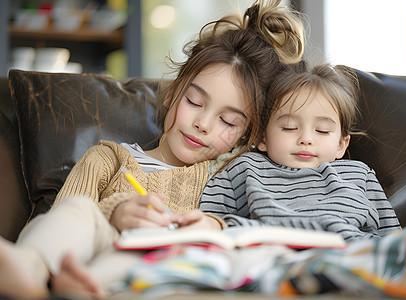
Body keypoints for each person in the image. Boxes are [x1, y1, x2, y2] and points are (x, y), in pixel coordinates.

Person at [0, 1, 306, 299]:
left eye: (228, 121)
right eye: (194, 102)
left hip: (170, 269)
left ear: (246, 135)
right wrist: (114, 214)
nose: (203, 124)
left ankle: (84, 286)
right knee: (78, 210)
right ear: (172, 94)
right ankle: (31, 269)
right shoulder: (108, 158)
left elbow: (262, 232)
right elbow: (59, 222)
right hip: (97, 251)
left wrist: (214, 226)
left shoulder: (231, 175)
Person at [199, 62, 402, 242]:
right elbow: (211, 223)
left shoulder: (359, 174)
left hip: (349, 253)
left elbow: (393, 238)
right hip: (272, 251)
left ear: (341, 144)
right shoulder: (245, 168)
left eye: (322, 131)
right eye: (289, 127)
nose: (306, 139)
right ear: (262, 138)